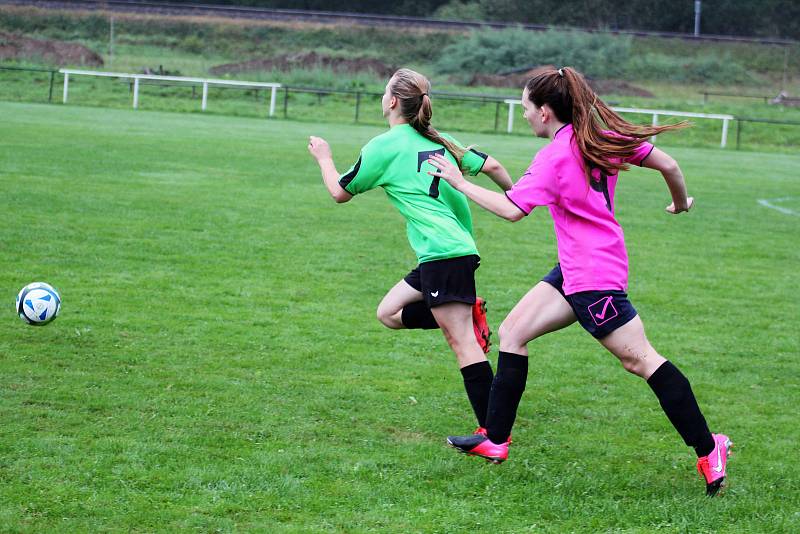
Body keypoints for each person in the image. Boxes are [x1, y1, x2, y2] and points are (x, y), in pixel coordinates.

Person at [428, 67, 732, 496]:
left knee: (640, 359)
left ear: (547, 112)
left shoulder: (555, 156)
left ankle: (709, 447)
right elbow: (669, 163)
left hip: (594, 278)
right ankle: (495, 440)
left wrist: (459, 182)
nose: (526, 117)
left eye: (526, 109)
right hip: (574, 270)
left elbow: (513, 209)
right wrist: (679, 203)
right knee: (513, 332)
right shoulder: (598, 137)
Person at [307, 68, 514, 433]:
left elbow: (340, 192)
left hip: (442, 252)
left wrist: (324, 158)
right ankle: (471, 314)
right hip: (448, 252)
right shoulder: (442, 140)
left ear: (391, 101)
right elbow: (493, 165)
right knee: (388, 312)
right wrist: (514, 195)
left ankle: (493, 435)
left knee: (463, 344)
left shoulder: (383, 147)